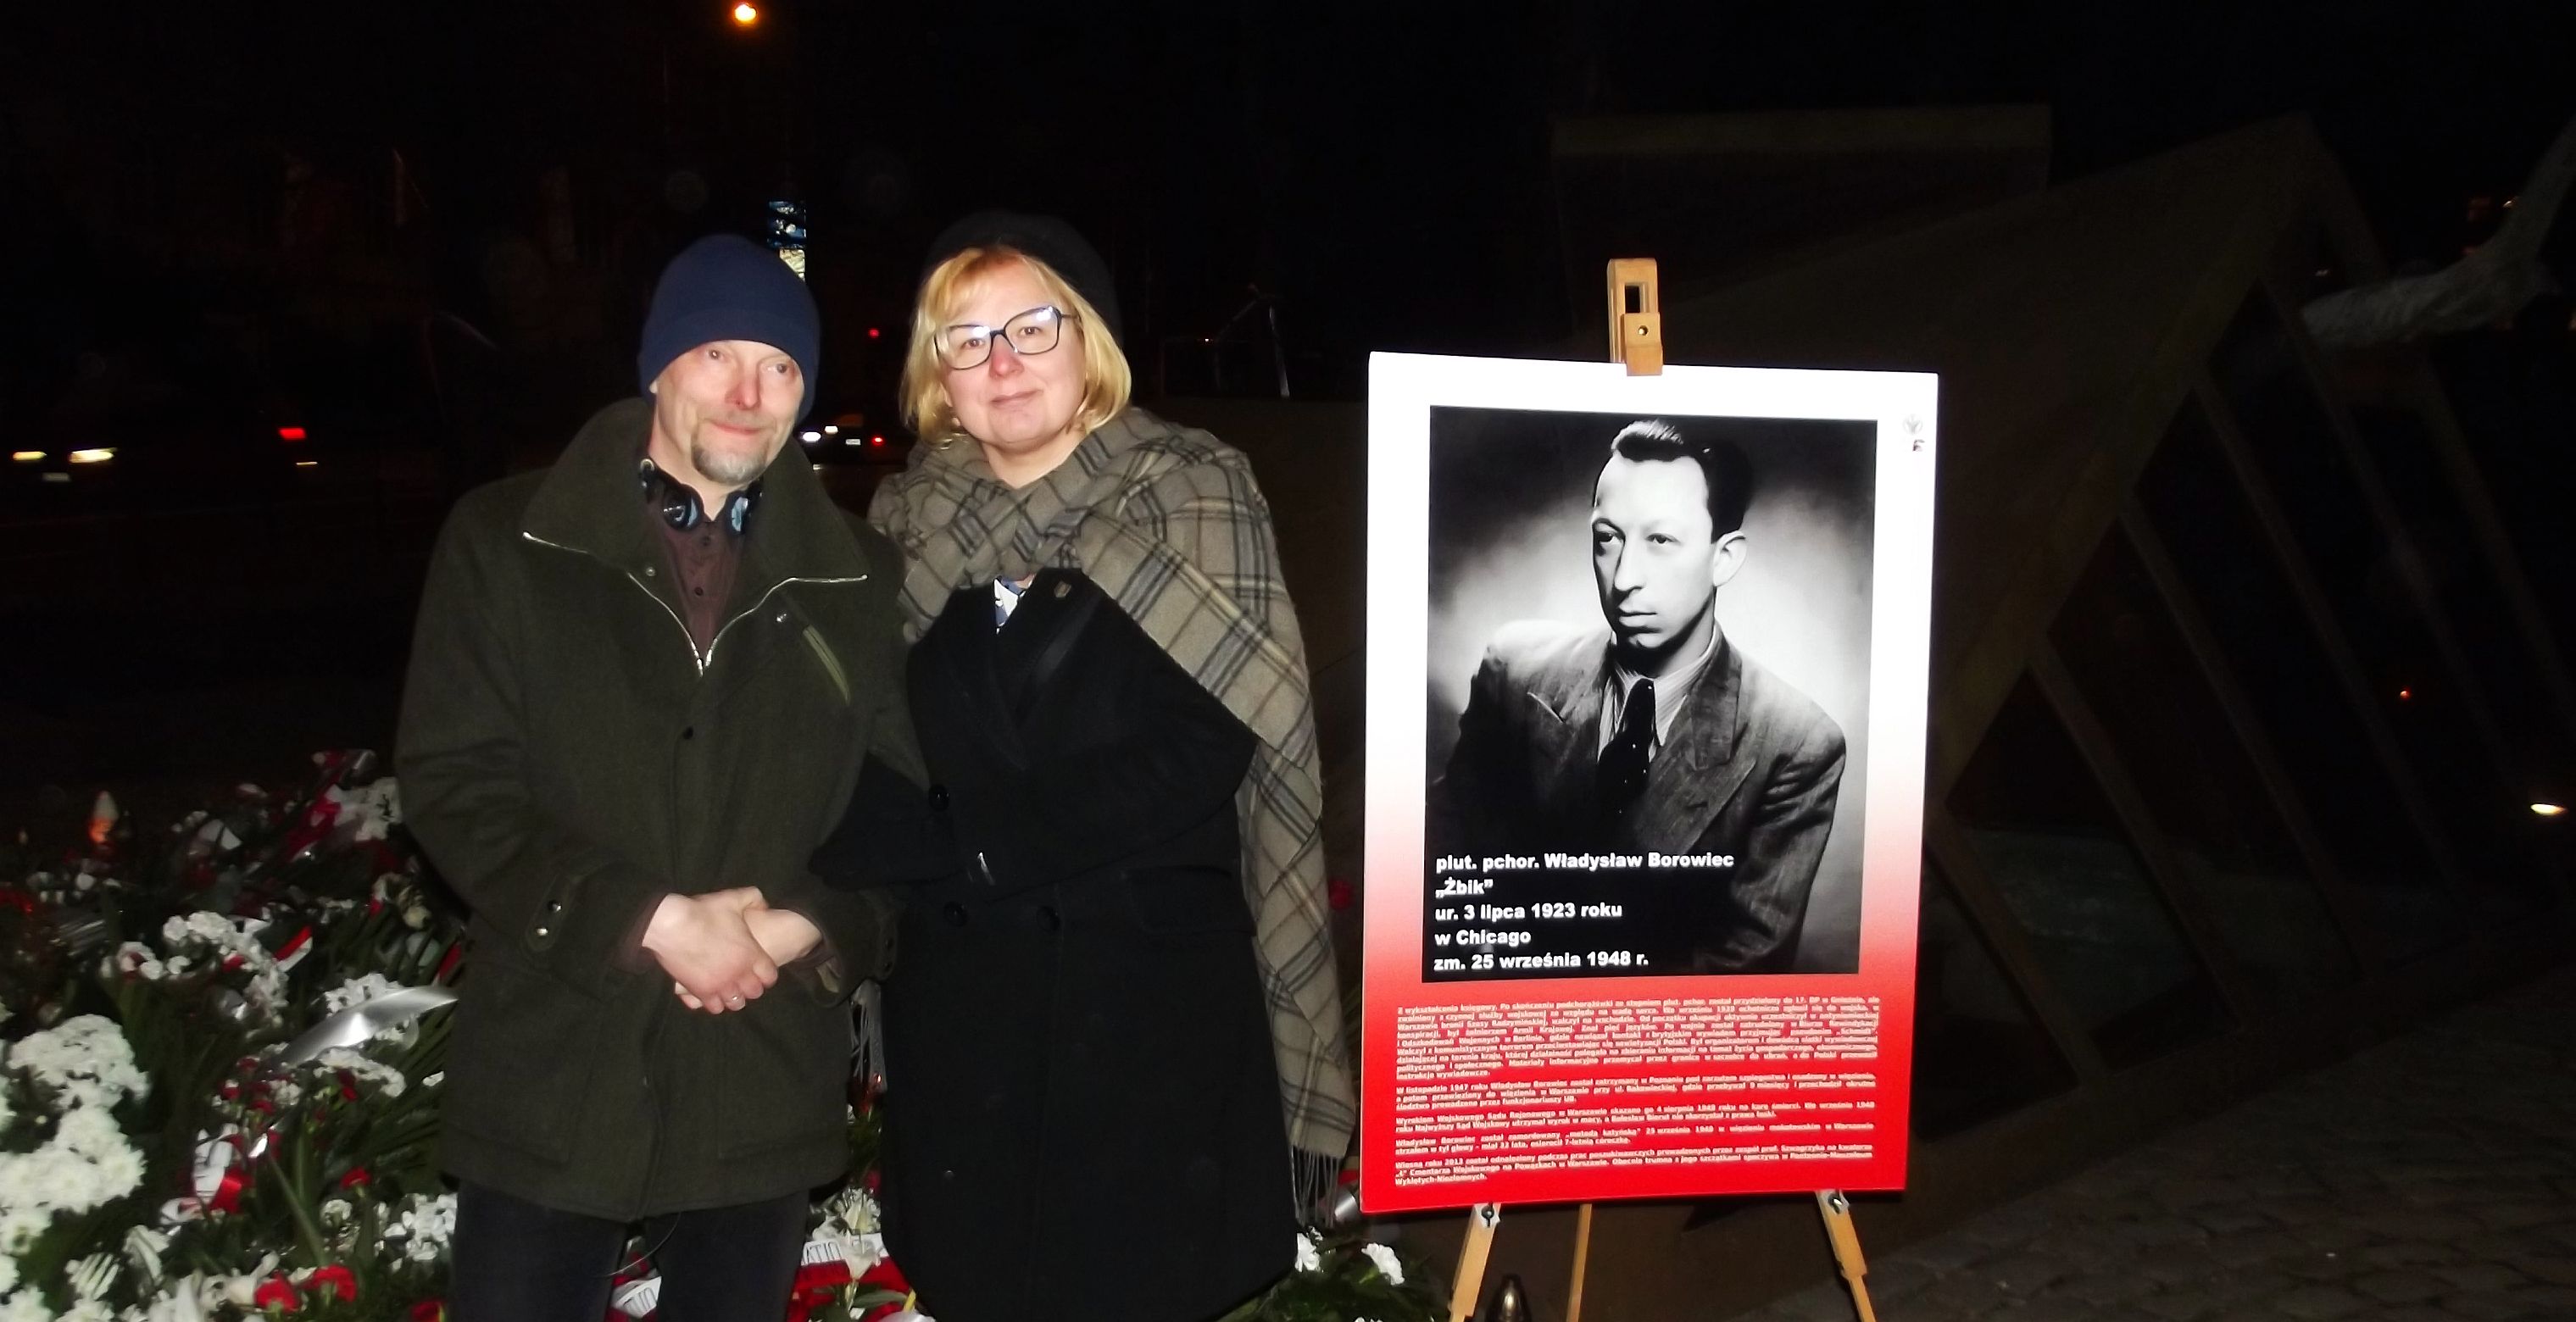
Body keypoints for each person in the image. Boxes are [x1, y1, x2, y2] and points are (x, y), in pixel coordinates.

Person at [832, 211, 1354, 1322]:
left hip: (1146, 1015)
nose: (1002, 361)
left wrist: (975, 842)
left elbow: (1211, 740)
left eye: (1032, 326)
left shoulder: (1192, 490)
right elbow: (864, 740)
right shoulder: (903, 523)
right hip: (965, 1019)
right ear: (937, 375)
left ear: (1091, 342)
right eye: (967, 340)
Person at [399, 234, 923, 1321]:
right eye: (717, 354)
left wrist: (802, 925)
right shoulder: (509, 542)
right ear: (657, 366)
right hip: (556, 1060)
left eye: (780, 367)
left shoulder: (858, 577)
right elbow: (456, 782)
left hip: (757, 1071)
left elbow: (901, 805)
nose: (748, 394)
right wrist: (650, 920)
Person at [1434, 419, 1846, 974]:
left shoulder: (1795, 744)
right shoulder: (1515, 668)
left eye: (1660, 541)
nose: (1625, 578)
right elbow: (1445, 867)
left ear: (1724, 558)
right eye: (1607, 539)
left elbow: (1740, 972)